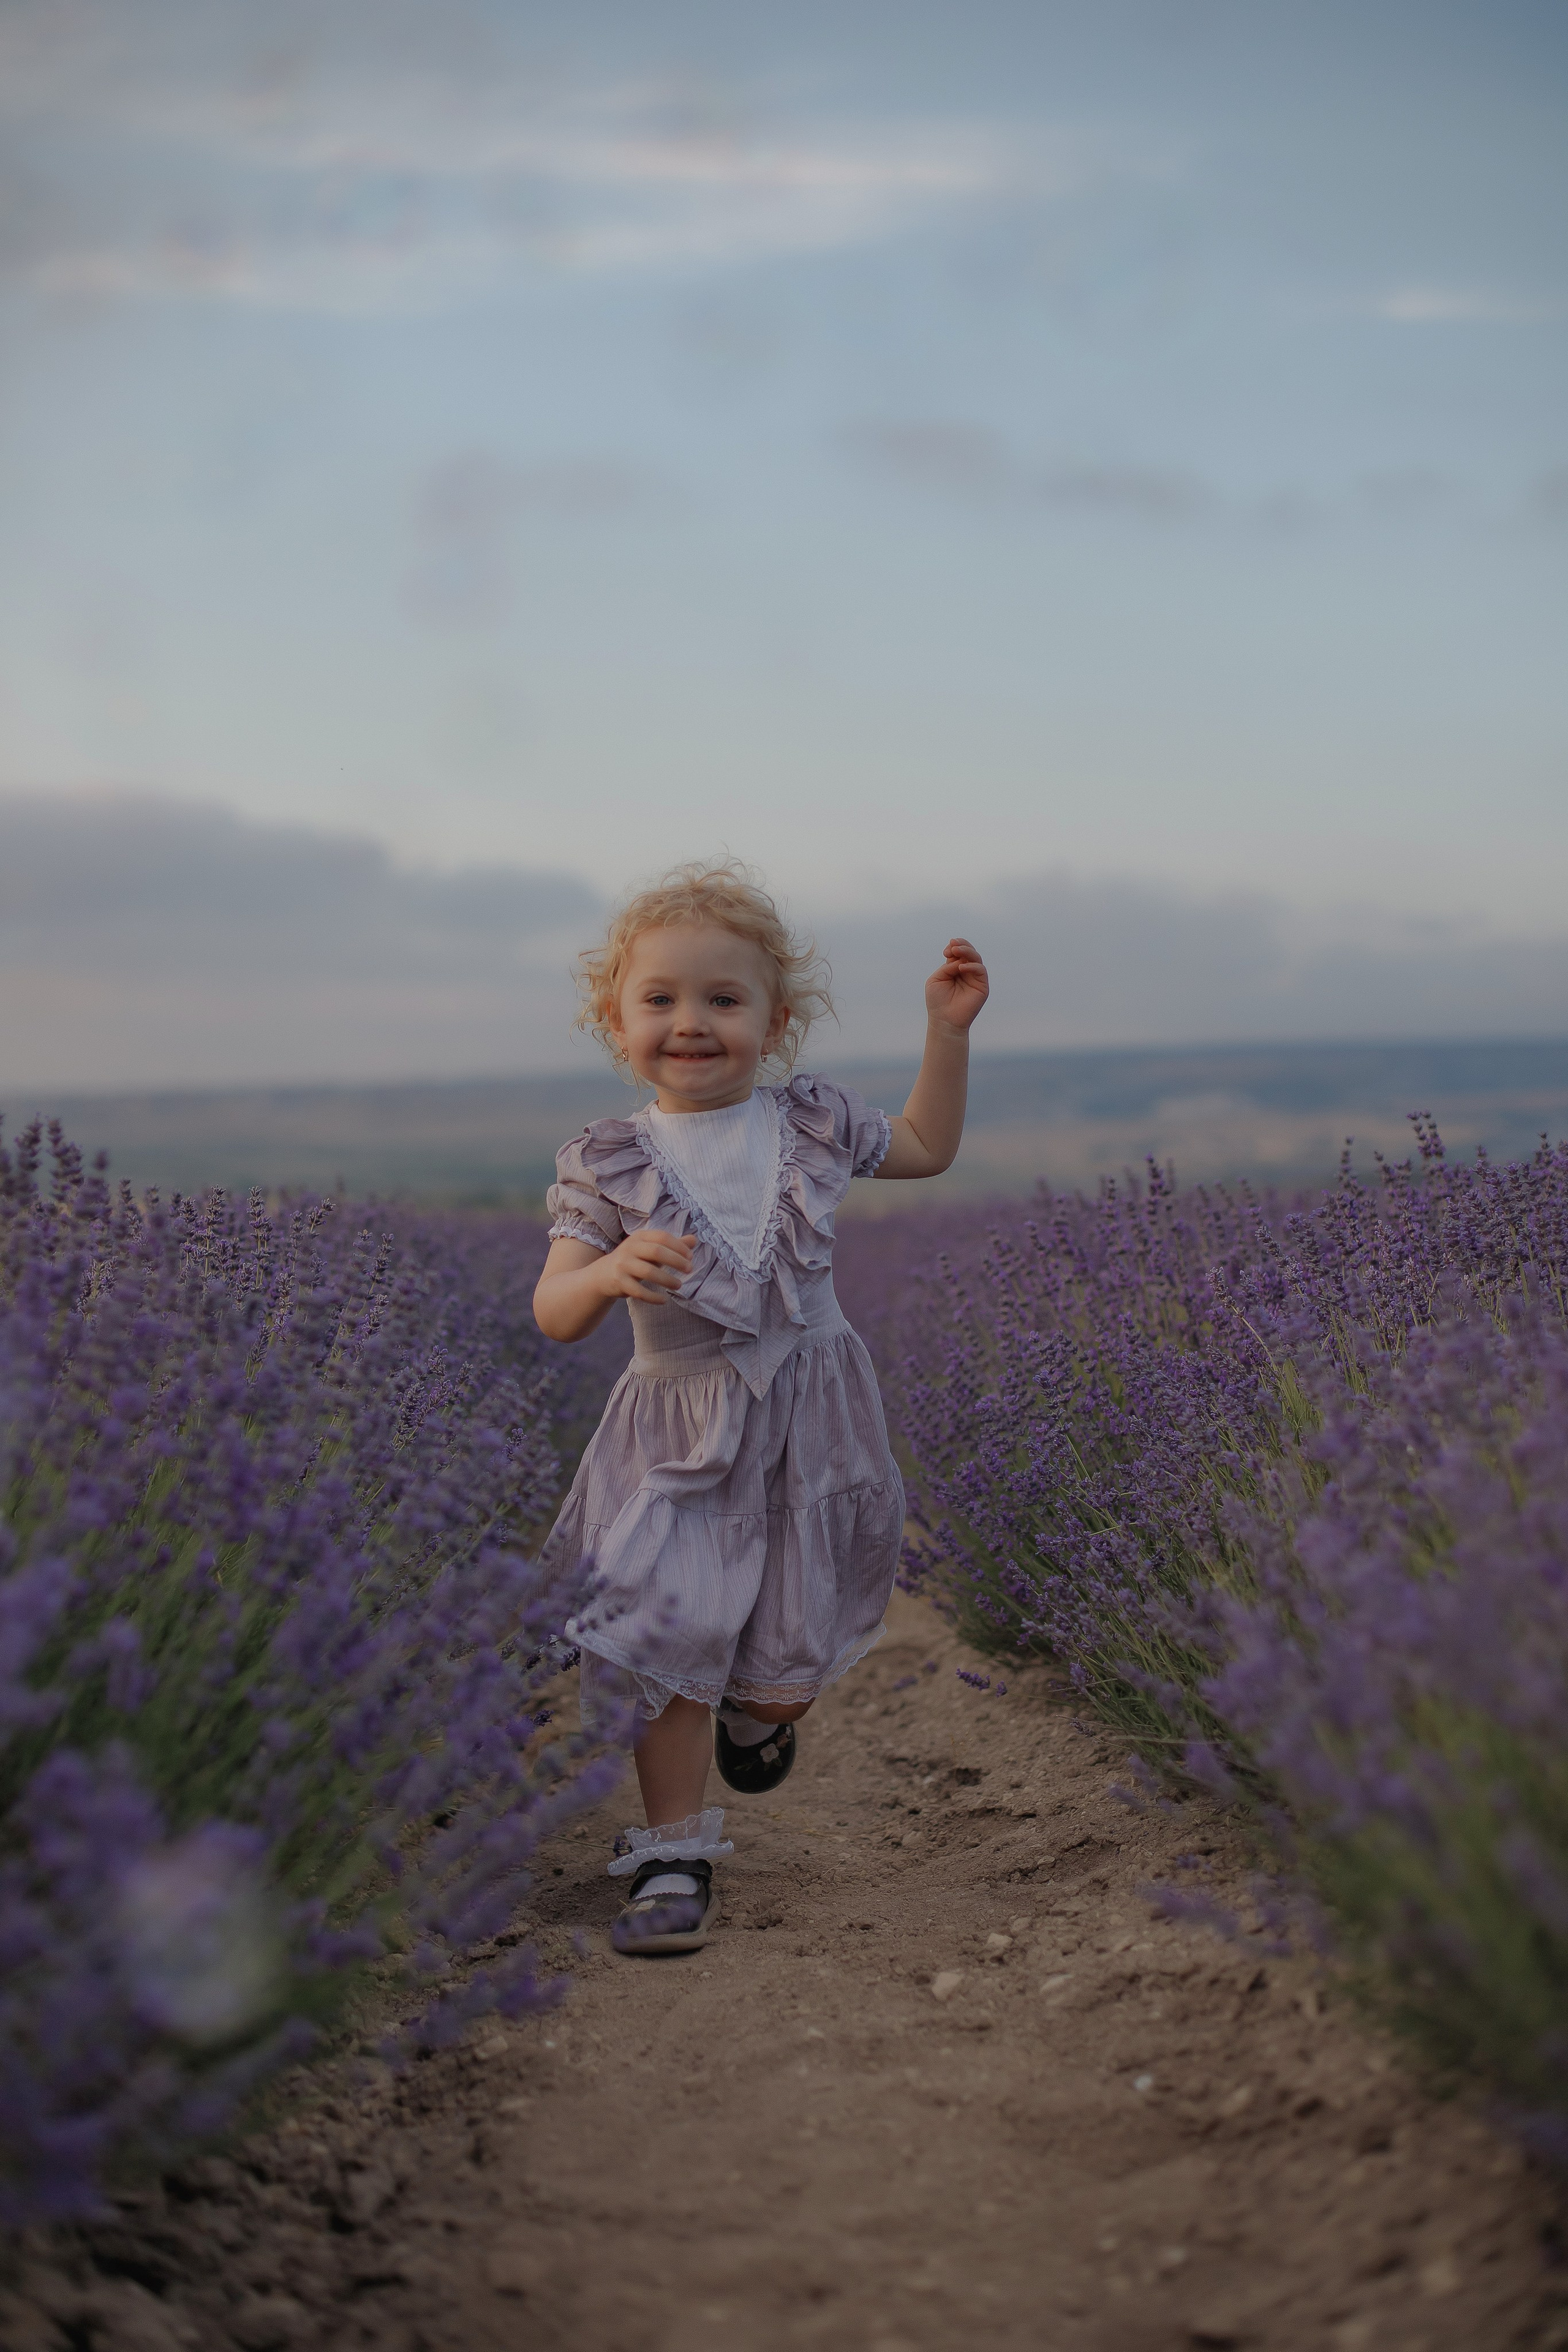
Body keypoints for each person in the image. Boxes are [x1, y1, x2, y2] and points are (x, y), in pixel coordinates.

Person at [532, 861, 989, 1954]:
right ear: (616, 1023)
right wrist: (607, 1274)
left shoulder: (810, 1126)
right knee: (670, 1639)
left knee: (779, 1666)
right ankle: (672, 1857)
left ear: (776, 1023)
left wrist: (947, 1033)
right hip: (678, 1443)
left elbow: (926, 1148)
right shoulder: (608, 1163)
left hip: (807, 1430)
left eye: (724, 999)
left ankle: (760, 1714)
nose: (691, 1021)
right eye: (660, 999)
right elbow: (554, 1310)